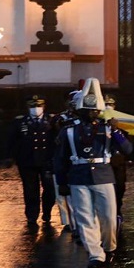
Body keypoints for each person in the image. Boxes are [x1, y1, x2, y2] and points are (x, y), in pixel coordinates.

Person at [55, 78, 133, 268]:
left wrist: (116, 131)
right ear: (80, 111)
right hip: (78, 176)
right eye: (87, 110)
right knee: (84, 217)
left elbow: (128, 149)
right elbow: (60, 159)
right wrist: (62, 181)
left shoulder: (108, 129)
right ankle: (95, 254)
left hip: (103, 175)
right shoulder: (68, 131)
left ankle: (109, 247)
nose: (92, 114)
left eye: (94, 110)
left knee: (108, 216)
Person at [7, 94, 56, 229]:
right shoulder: (20, 122)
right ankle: (32, 216)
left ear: (44, 106)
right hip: (27, 161)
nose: (36, 108)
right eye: (33, 106)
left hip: (47, 160)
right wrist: (10, 156)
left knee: (50, 189)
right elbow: (12, 140)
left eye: (39, 106)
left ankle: (47, 212)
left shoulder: (52, 120)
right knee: (30, 190)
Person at [51, 90, 81, 235]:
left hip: (78, 160)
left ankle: (78, 223)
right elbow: (56, 127)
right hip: (63, 158)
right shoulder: (60, 118)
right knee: (63, 195)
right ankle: (69, 222)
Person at [103, 94, 131, 231]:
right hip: (102, 164)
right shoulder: (96, 124)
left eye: (111, 105)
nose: (108, 107)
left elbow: (128, 146)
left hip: (117, 162)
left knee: (119, 189)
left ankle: (117, 211)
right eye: (106, 105)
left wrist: (115, 130)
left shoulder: (121, 123)